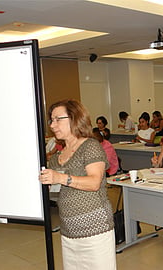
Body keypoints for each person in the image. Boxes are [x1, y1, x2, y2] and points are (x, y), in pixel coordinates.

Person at [39, 99, 116, 270]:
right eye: (51, 120)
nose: (52, 125)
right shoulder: (56, 157)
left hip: (95, 229)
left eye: (58, 119)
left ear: (74, 118)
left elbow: (95, 182)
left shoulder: (90, 146)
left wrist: (59, 178)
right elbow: (55, 193)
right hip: (68, 231)